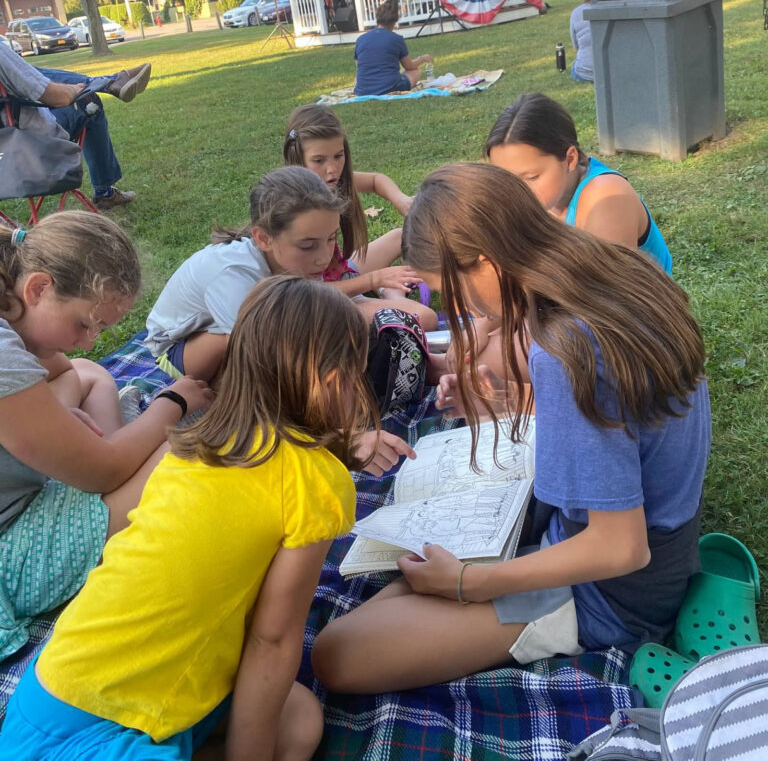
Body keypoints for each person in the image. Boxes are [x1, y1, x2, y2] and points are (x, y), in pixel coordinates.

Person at [312, 163, 711, 694]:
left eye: (453, 293)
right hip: (628, 545)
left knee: (339, 656)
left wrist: (471, 584)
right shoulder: (612, 267)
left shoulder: (566, 347)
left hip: (614, 591)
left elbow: (622, 548)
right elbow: (619, 426)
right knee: (404, 587)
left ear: (485, 262)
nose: (461, 312)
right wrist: (501, 401)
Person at [0, 276, 390, 761]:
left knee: (299, 717)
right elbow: (272, 639)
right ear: (336, 380)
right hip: (97, 726)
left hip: (49, 698)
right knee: (291, 722)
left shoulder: (189, 443)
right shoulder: (315, 481)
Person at [0, 212, 212, 662]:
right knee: (191, 449)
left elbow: (67, 371)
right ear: (37, 288)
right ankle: (122, 477)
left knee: (90, 373)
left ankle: (116, 461)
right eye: (84, 324)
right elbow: (105, 471)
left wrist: (56, 418)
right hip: (7, 552)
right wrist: (171, 404)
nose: (88, 339)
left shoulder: (15, 313)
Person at [144, 167, 344, 384]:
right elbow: (252, 350)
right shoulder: (233, 275)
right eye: (307, 245)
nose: (324, 257)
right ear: (264, 238)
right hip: (177, 348)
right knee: (258, 356)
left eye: (331, 238)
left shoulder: (295, 260)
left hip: (239, 325)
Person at [284, 104, 437, 330]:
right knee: (425, 318)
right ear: (298, 158)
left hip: (344, 273)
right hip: (328, 298)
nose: (332, 169)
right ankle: (390, 295)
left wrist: (400, 199)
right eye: (319, 160)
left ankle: (387, 291)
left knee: (400, 236)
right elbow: (306, 293)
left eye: (338, 155)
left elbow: (376, 180)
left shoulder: (336, 180)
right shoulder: (292, 207)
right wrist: (375, 280)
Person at [485, 92, 672, 272]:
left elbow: (607, 295)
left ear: (570, 159)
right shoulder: (543, 199)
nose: (517, 191)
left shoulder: (606, 196)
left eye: (532, 177)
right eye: (506, 179)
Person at [0, 39, 152, 209]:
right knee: (90, 102)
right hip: (25, 145)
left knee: (31, 72)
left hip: (3, 158)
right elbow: (58, 97)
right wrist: (74, 89)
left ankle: (110, 82)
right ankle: (105, 193)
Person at [353, 0, 433, 96]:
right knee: (415, 71)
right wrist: (422, 58)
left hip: (362, 90)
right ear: (395, 21)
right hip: (389, 87)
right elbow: (409, 66)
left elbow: (359, 67)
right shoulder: (396, 39)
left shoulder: (360, 39)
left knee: (357, 78)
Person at [570, 0, 594, 82]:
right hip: (614, 70)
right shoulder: (618, 10)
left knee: (575, 65)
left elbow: (576, 45)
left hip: (583, 73)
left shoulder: (576, 12)